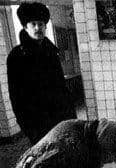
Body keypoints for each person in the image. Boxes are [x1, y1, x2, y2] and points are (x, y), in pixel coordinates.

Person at [7, 2, 77, 145]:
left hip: (60, 118)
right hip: (37, 122)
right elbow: (16, 96)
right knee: (46, 156)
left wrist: (71, 116)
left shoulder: (52, 52)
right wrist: (28, 127)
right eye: (33, 24)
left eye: (41, 24)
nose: (38, 28)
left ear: (45, 26)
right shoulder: (17, 56)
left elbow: (61, 87)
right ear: (25, 27)